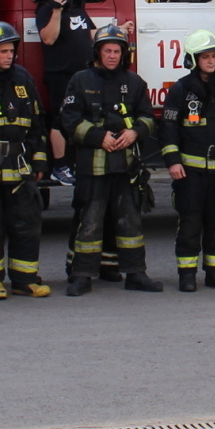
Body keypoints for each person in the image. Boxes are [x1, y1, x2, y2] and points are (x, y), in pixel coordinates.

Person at [60, 23, 158, 296]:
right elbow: (68, 119)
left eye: (117, 51)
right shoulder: (80, 80)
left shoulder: (135, 82)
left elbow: (149, 118)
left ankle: (136, 273)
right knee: (89, 220)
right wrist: (96, 136)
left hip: (126, 166)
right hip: (92, 166)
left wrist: (135, 132)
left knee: (130, 221)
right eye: (107, 50)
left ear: (124, 54)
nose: (112, 55)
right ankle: (81, 275)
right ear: (98, 52)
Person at [159, 28, 215, 293]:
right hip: (190, 173)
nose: (211, 61)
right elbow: (168, 127)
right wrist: (172, 160)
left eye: (214, 56)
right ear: (193, 59)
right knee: (190, 224)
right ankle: (187, 275)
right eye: (205, 57)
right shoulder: (181, 90)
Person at [34, 0, 95, 187]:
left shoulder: (78, 10)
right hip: (61, 75)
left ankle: (79, 163)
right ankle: (59, 167)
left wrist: (119, 30)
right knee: (60, 119)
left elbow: (92, 34)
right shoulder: (45, 10)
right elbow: (48, 39)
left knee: (85, 117)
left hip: (85, 75)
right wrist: (57, 10)